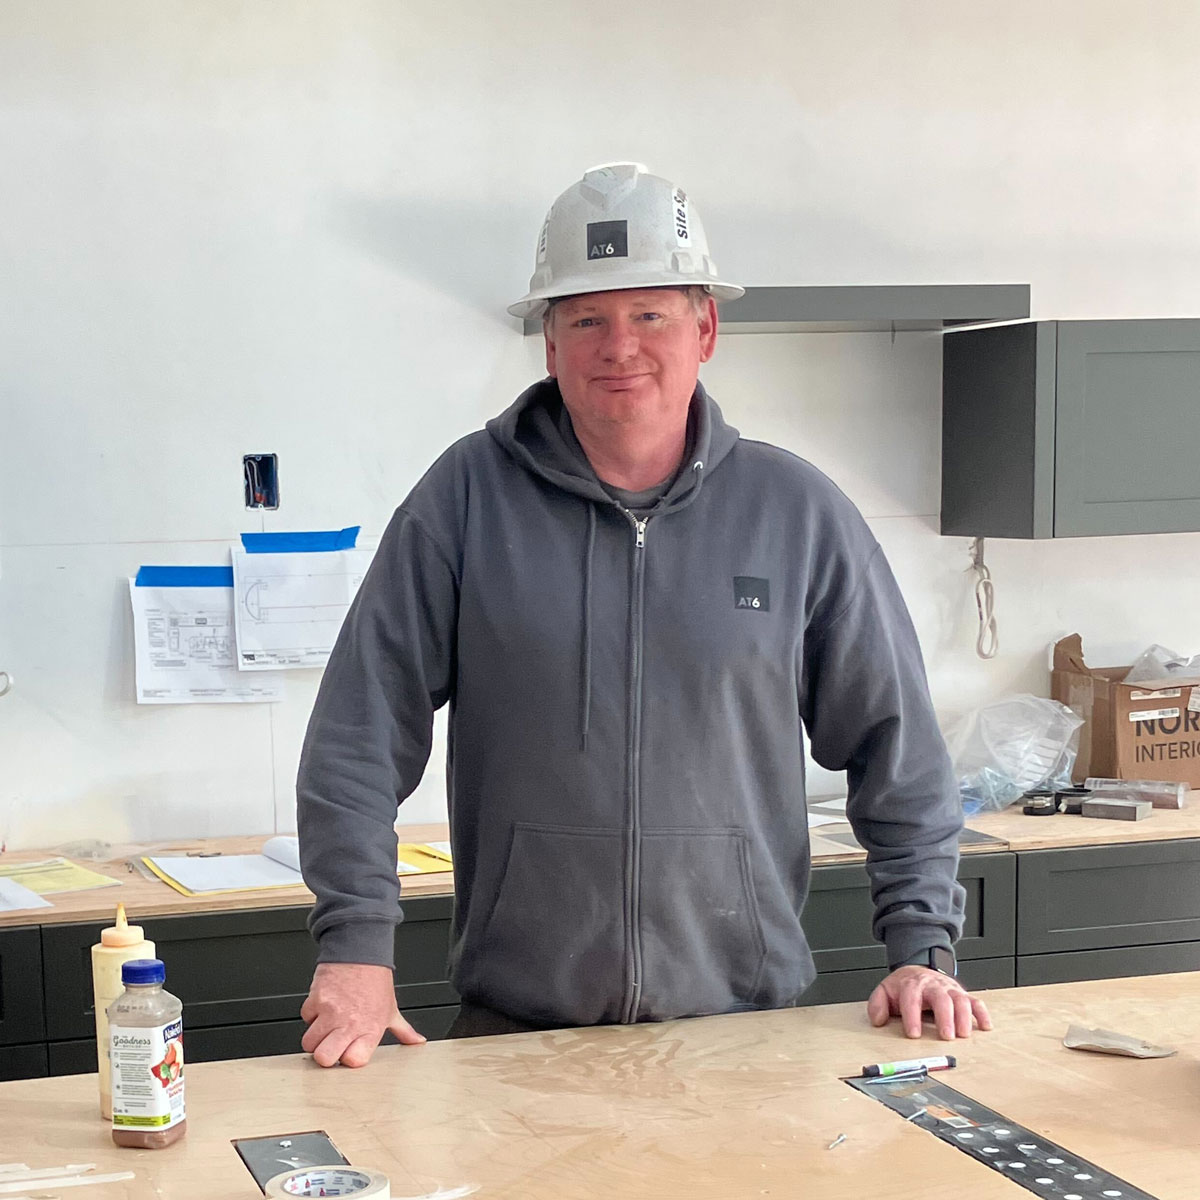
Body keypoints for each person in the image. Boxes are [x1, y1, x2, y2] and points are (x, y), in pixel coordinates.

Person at [297, 162, 992, 1068]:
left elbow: (898, 749)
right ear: (549, 344)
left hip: (747, 1034)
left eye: (649, 315)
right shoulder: (463, 501)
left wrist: (923, 950)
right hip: (517, 1037)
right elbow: (357, 731)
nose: (617, 346)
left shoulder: (798, 514)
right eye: (585, 318)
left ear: (705, 329)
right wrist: (354, 944)